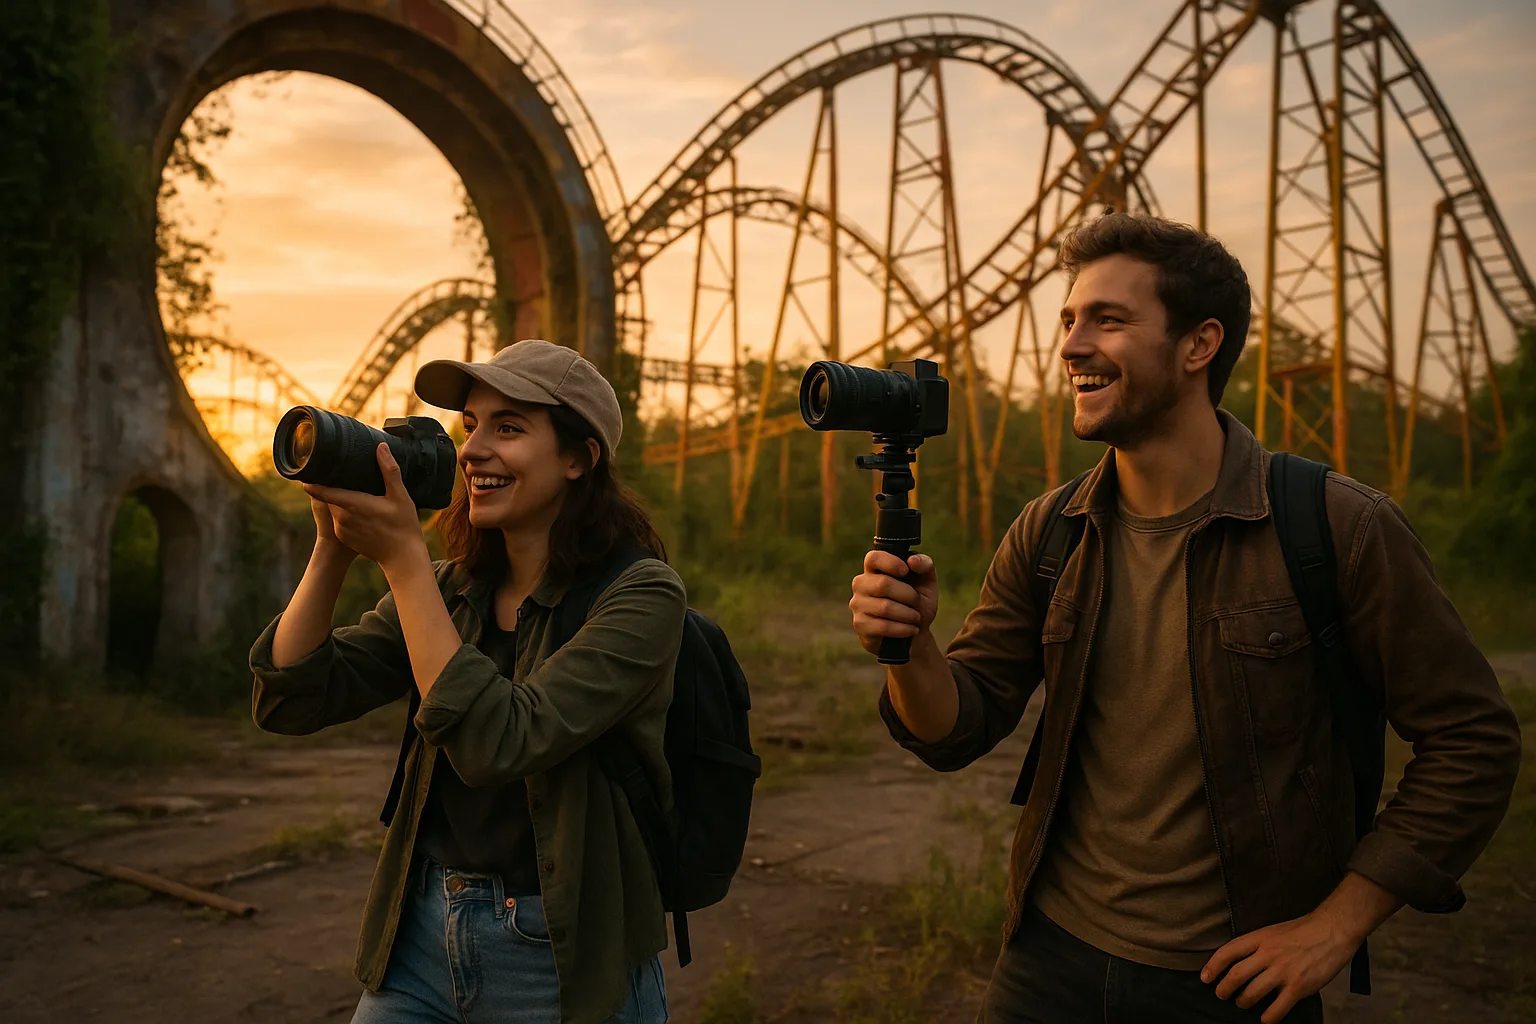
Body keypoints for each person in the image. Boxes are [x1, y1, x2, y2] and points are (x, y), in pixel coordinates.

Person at [848, 213, 1522, 1023]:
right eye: (1069, 319)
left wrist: (1336, 926)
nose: (1070, 346)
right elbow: (957, 727)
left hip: (1229, 984)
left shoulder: (1336, 527)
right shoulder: (1051, 529)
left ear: (1200, 344)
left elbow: (1473, 741)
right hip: (1046, 962)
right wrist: (909, 647)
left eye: (1109, 320)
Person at [250, 340, 682, 1024]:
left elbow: (501, 743)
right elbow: (292, 698)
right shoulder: (451, 590)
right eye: (471, 425)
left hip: (559, 956)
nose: (473, 450)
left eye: (508, 428)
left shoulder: (641, 597)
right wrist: (332, 547)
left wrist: (403, 559)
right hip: (420, 938)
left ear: (578, 458)